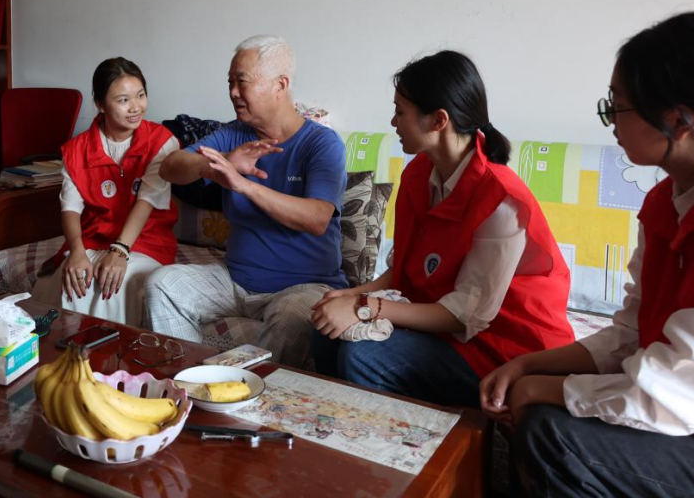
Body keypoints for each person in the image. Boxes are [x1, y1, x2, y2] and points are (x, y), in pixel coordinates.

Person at [480, 14, 694, 496]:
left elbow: (679, 392)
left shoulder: (496, 190)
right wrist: (528, 367)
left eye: (617, 106)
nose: (611, 121)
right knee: (537, 407)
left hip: (684, 409)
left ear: (679, 120)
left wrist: (544, 388)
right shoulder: (663, 203)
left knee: (550, 430)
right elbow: (631, 333)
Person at [311, 50, 573, 407]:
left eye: (400, 112)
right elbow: (405, 271)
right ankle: (332, 432)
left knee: (363, 357)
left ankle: (393, 442)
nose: (393, 122)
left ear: (438, 120)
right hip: (444, 326)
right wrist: (349, 297)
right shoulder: (418, 174)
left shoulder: (501, 201)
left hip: (503, 348)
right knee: (325, 330)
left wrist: (364, 307)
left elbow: (464, 316)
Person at [145, 35, 347, 367]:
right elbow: (170, 167)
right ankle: (191, 382)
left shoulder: (322, 144)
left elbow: (317, 219)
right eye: (230, 82)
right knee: (162, 285)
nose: (233, 92)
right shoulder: (233, 134)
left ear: (280, 85)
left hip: (303, 286)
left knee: (293, 317)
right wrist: (220, 162)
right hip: (235, 279)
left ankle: (244, 392)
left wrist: (244, 186)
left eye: (242, 81)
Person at [32, 57, 179, 325]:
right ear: (100, 104)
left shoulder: (162, 141)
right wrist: (76, 251)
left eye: (141, 95)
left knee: (118, 282)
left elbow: (146, 200)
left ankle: (116, 349)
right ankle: (72, 349)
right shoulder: (76, 149)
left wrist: (119, 252)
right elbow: (70, 207)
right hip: (92, 238)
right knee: (74, 278)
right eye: (123, 100)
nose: (135, 107)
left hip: (145, 240)